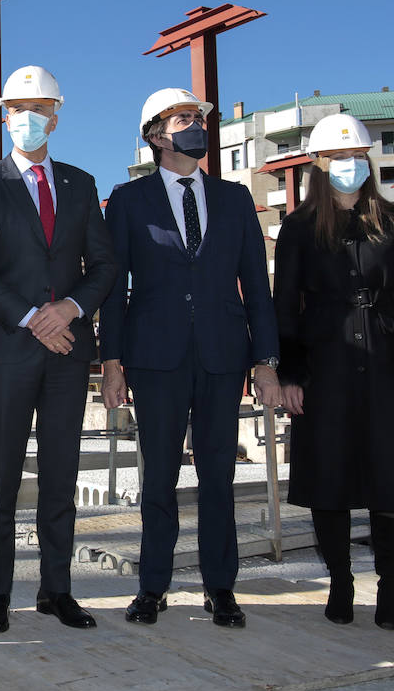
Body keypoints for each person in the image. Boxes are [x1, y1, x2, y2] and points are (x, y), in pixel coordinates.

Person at [101, 88, 281, 629]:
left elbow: (256, 283)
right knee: (158, 477)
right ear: (156, 135)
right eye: (184, 119)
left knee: (218, 476)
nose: (196, 125)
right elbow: (114, 289)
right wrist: (112, 361)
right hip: (155, 357)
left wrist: (266, 358)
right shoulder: (128, 201)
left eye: (199, 118)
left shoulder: (233, 198)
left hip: (224, 354)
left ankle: (220, 587)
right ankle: (152, 586)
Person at [274, 113, 394, 630]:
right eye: (337, 157)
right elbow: (284, 304)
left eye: (355, 155)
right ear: (318, 164)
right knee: (328, 475)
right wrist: (288, 373)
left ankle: (391, 587)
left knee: (391, 477)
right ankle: (339, 582)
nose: (348, 165)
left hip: (387, 358)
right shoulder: (299, 227)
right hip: (324, 361)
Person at [0, 66, 116, 633]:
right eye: (17, 107)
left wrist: (68, 310)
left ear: (56, 114)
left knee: (60, 474)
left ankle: (57, 589)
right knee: (0, 480)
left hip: (68, 349)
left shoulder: (80, 183)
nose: (28, 116)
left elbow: (102, 265)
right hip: (8, 349)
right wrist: (31, 318)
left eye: (39, 106)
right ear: (4, 116)